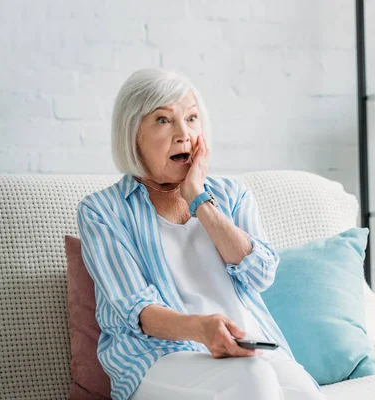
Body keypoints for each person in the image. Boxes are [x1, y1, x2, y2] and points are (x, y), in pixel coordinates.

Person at [76, 68, 326, 400]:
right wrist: (202, 329)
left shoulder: (232, 194)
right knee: (253, 379)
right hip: (158, 361)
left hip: (248, 348)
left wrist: (199, 200)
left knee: (304, 391)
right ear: (133, 134)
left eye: (192, 118)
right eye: (163, 120)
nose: (184, 134)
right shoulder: (102, 211)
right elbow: (140, 312)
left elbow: (261, 273)